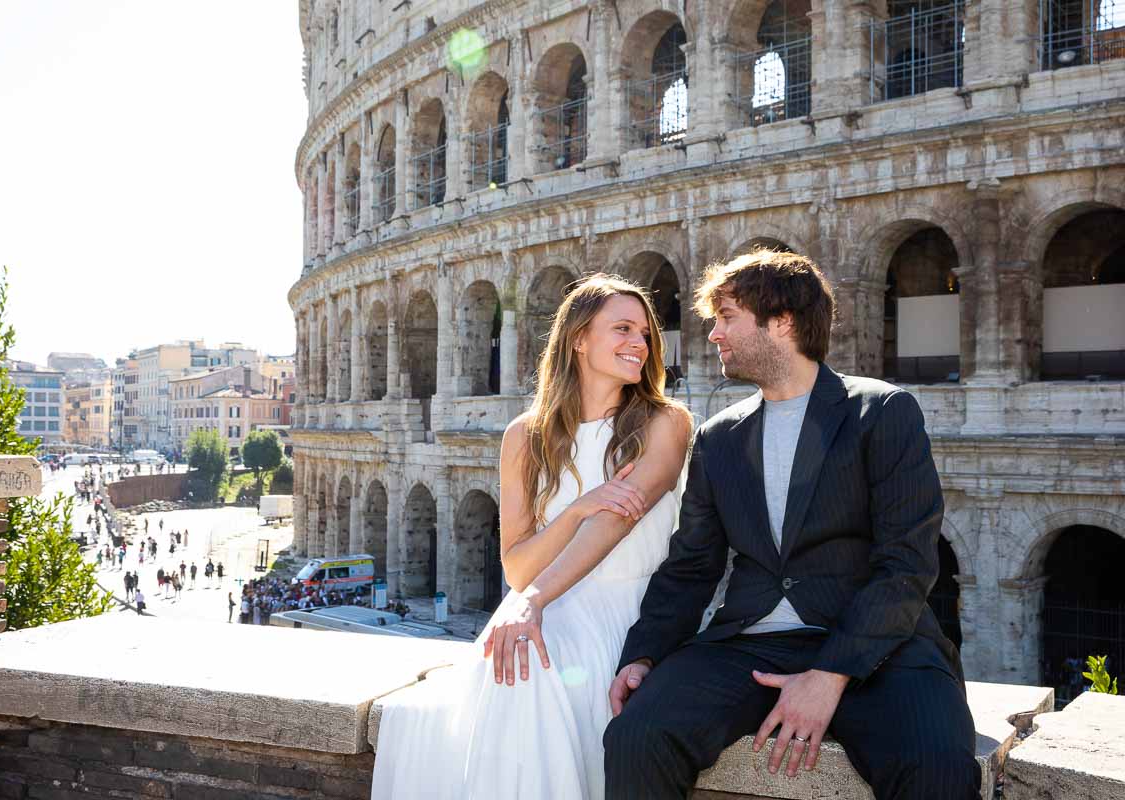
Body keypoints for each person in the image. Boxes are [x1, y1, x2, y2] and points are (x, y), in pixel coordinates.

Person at [603, 250, 979, 799]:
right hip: (749, 645)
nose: (713, 335)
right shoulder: (719, 436)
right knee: (637, 737)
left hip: (880, 648)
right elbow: (692, 565)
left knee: (938, 765)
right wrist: (644, 653)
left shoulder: (883, 411)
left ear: (781, 322)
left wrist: (830, 675)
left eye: (727, 317)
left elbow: (906, 562)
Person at [372, 274, 691, 799]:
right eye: (623, 328)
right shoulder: (525, 435)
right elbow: (518, 568)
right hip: (546, 607)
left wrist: (534, 599)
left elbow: (619, 520)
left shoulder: (664, 422)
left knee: (534, 678)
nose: (641, 342)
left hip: (632, 608)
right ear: (578, 338)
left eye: (646, 333)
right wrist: (573, 513)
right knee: (519, 675)